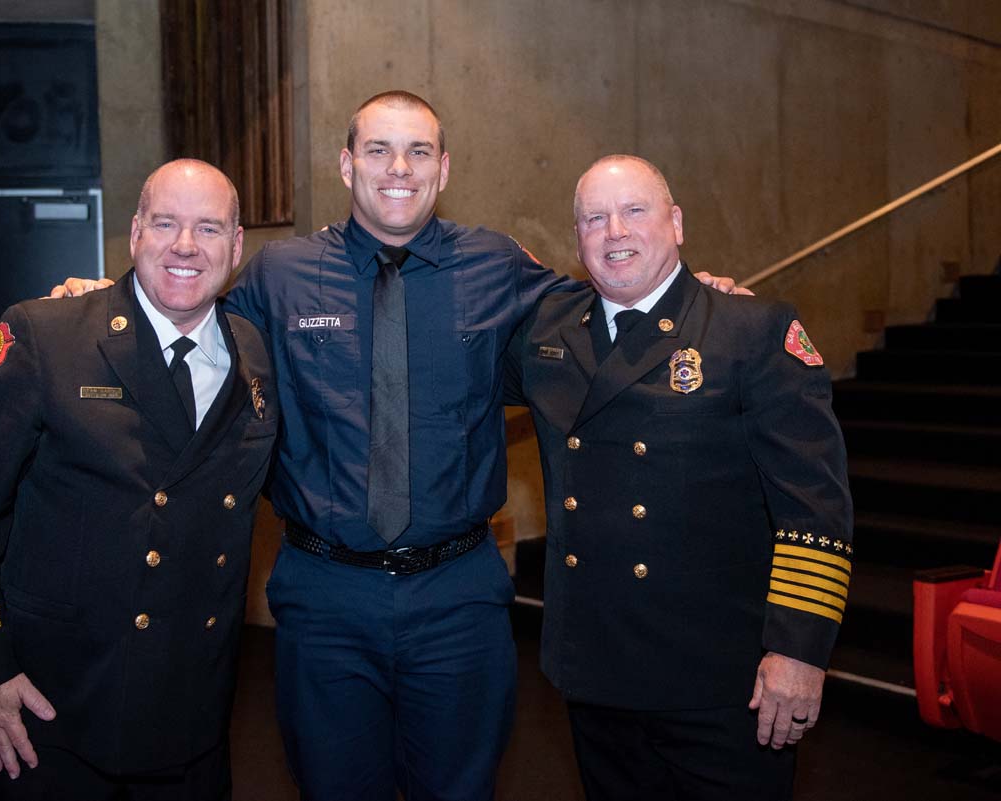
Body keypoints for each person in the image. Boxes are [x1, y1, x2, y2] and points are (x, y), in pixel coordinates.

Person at [57, 92, 740, 801]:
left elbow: (601, 303)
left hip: (459, 599)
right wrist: (106, 303)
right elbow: (189, 320)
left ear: (442, 170)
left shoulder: (496, 263)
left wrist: (692, 296)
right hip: (326, 599)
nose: (398, 168)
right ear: (347, 164)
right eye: (378, 149)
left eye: (418, 151)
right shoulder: (280, 273)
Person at [0, 159, 277, 801]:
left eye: (208, 228)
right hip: (56, 704)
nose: (186, 246)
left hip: (192, 708)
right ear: (136, 232)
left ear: (237, 244)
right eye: (166, 223)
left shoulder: (252, 352)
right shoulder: (45, 335)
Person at [504, 155, 853, 801]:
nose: (615, 232)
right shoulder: (547, 336)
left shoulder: (751, 330)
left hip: (722, 682)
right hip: (596, 673)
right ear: (576, 237)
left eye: (635, 210)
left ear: (677, 222)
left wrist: (800, 649)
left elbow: (816, 507)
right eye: (594, 218)